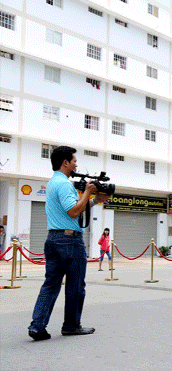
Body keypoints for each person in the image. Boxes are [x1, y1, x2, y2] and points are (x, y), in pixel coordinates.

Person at [28, 146, 111, 341]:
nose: (76, 164)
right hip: (70, 241)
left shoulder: (53, 183)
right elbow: (73, 211)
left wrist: (94, 200)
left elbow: (75, 207)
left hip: (53, 239)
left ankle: (37, 326)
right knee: (75, 285)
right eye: (74, 161)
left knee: (50, 285)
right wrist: (88, 192)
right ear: (65, 162)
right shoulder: (64, 184)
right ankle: (71, 325)